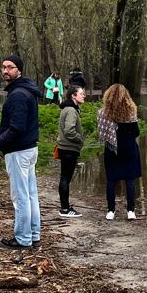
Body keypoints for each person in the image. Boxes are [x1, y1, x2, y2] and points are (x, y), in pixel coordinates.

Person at [0, 54, 41, 249]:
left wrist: (1, 142)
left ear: (19, 70)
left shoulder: (18, 95)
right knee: (30, 194)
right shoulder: (25, 90)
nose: (6, 71)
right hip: (29, 149)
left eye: (10, 67)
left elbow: (17, 127)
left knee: (21, 196)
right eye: (4, 67)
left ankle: (23, 238)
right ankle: (34, 234)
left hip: (19, 151)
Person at [97, 83, 141, 221]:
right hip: (129, 149)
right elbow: (136, 132)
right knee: (129, 180)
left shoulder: (103, 113)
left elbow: (102, 133)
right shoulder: (131, 112)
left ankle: (111, 211)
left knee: (111, 180)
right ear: (126, 96)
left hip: (111, 149)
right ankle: (131, 211)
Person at [56, 82, 85, 218]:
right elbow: (69, 131)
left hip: (65, 148)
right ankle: (65, 209)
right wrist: (80, 139)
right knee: (65, 179)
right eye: (81, 94)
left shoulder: (68, 109)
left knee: (65, 178)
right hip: (68, 149)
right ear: (73, 96)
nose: (84, 96)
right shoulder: (71, 111)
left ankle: (65, 206)